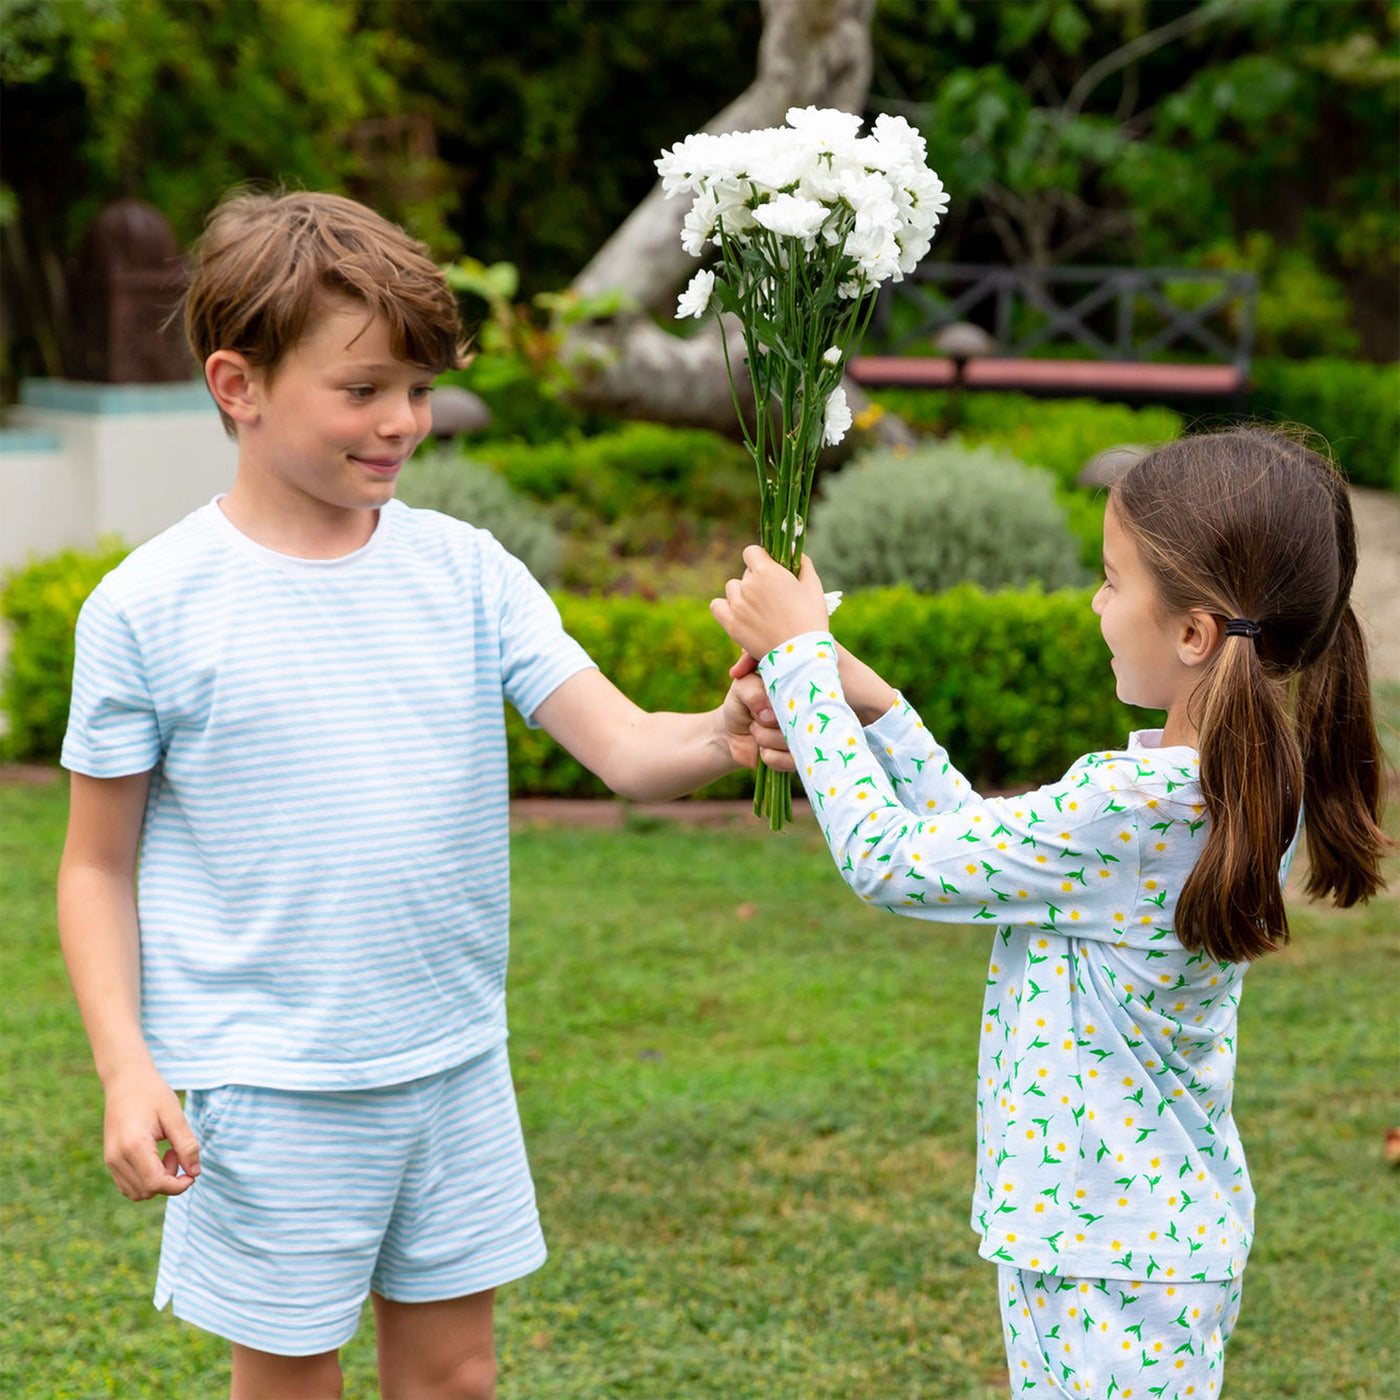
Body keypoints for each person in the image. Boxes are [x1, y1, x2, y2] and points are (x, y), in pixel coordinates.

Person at [55, 187, 789, 1400]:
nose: (402, 420)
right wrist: (127, 1067)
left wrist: (721, 731)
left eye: (419, 389)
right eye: (364, 390)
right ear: (236, 385)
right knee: (289, 1379)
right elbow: (94, 863)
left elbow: (620, 745)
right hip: (271, 1084)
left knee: (455, 1375)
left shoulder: (462, 570)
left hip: (451, 1063)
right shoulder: (148, 606)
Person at [712, 428, 1388, 1398]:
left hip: (1106, 1254)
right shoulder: (1233, 784)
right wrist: (869, 706)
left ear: (1193, 633)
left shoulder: (1130, 801)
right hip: (1117, 1240)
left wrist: (798, 663)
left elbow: (890, 861)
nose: (1094, 602)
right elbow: (982, 846)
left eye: (1112, 581)